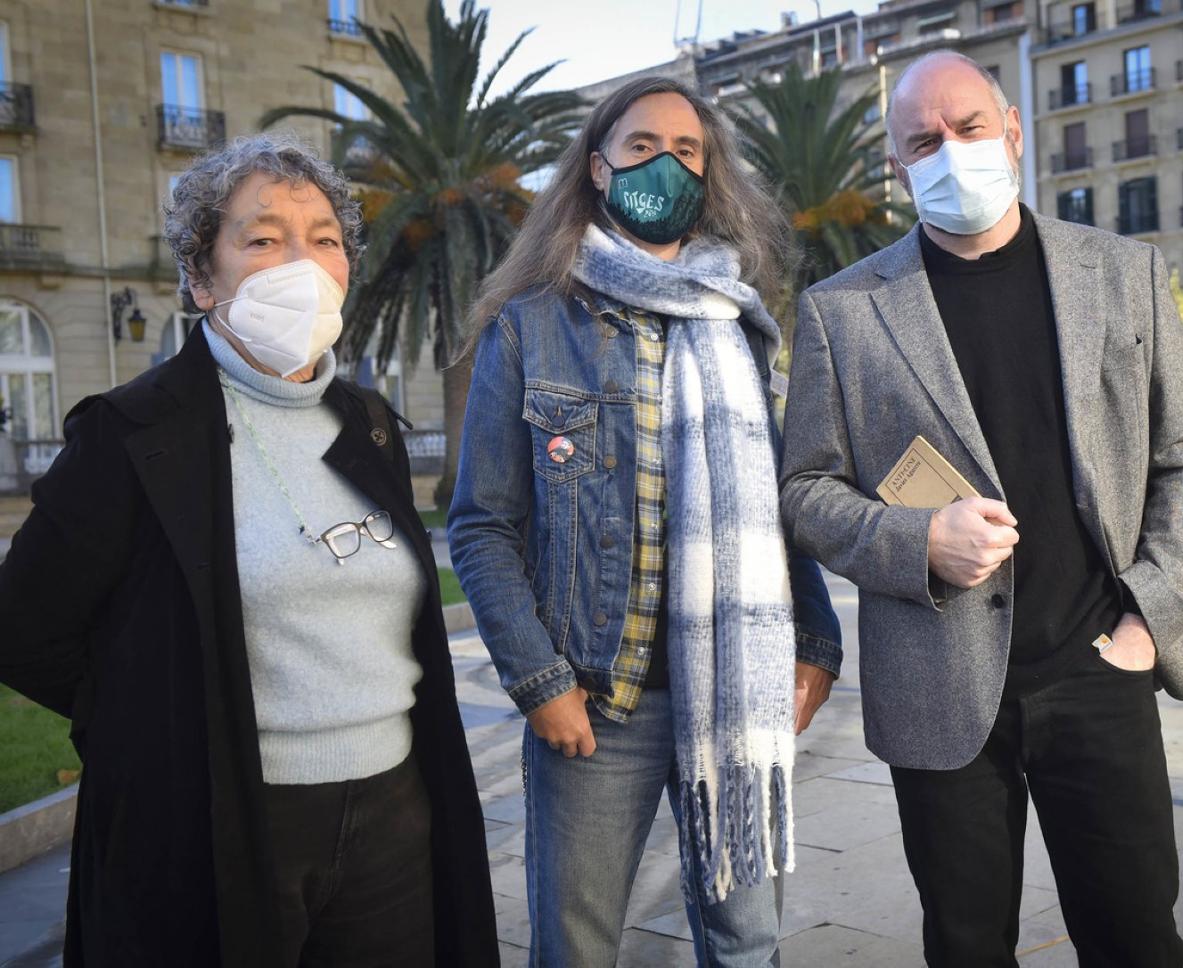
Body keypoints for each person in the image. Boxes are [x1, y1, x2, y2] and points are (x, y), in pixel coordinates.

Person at [0, 134, 497, 968]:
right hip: (220, 829)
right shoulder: (130, 434)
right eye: (264, 238)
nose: (301, 262)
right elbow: (24, 629)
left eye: (325, 239)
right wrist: (155, 723)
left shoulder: (369, 423)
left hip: (393, 812)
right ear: (202, 277)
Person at [780, 50, 1183, 968]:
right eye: (923, 142)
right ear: (898, 169)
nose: (951, 151)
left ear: (1012, 132)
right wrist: (914, 540)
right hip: (938, 691)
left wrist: (1148, 615)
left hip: (1100, 669)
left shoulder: (1124, 272)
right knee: (967, 948)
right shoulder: (842, 311)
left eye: (969, 127)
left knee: (1139, 941)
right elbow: (804, 491)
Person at [447, 76, 842, 967]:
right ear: (598, 168)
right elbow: (480, 526)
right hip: (598, 702)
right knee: (577, 950)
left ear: (708, 175)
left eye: (686, 150)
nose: (666, 163)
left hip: (736, 695)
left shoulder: (740, 325)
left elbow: (774, 506)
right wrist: (539, 681)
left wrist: (816, 642)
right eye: (642, 146)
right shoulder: (531, 327)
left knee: (748, 946)